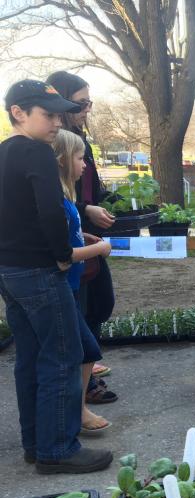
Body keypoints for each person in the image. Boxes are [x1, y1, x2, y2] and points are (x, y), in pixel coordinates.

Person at [0, 79, 113, 473]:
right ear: (18, 112)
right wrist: (64, 255)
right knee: (62, 359)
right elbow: (49, 211)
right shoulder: (37, 153)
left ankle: (35, 442)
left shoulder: (4, 154)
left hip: (11, 272)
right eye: (47, 115)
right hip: (41, 273)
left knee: (29, 358)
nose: (55, 122)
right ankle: (57, 449)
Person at [46, 71, 119, 405]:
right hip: (73, 240)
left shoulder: (78, 138)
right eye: (81, 103)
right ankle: (83, 385)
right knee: (84, 306)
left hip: (87, 234)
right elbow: (56, 197)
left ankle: (89, 367)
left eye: (89, 102)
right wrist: (85, 208)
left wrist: (111, 200)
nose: (87, 109)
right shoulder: (55, 143)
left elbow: (90, 187)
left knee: (99, 303)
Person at [52, 129, 113, 435]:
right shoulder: (59, 203)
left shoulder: (66, 199)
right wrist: (98, 249)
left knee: (84, 349)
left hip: (71, 287)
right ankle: (76, 412)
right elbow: (63, 256)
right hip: (64, 286)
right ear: (63, 161)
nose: (85, 164)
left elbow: (68, 238)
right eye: (79, 158)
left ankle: (78, 410)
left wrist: (84, 235)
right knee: (86, 349)